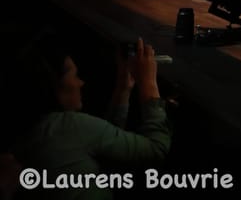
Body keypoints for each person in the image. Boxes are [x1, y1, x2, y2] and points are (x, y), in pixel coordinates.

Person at [11, 32, 170, 190]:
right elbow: (157, 151)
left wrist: (124, 86)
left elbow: (105, 146)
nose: (81, 83)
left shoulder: (35, 131)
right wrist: (148, 83)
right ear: (53, 87)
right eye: (74, 76)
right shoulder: (70, 126)